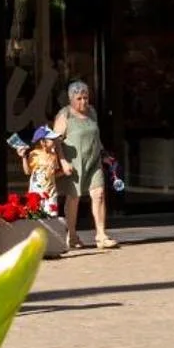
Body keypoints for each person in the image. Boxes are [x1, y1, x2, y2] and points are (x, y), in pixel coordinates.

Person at [53, 80, 118, 252]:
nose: (83, 102)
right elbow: (55, 141)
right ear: (71, 99)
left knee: (99, 194)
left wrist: (103, 153)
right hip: (74, 162)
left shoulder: (92, 112)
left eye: (86, 98)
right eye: (79, 98)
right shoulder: (65, 115)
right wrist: (63, 162)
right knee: (73, 199)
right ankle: (72, 235)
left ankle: (101, 235)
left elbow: (96, 136)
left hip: (93, 160)